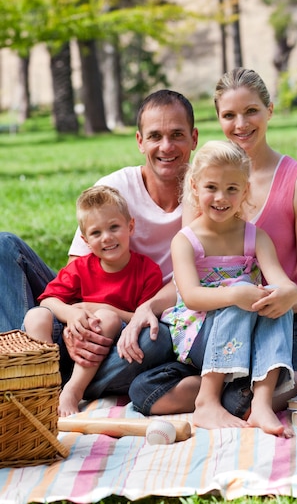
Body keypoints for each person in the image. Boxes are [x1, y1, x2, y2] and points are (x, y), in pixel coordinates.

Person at [128, 67, 297, 417]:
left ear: (270, 110)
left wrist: (274, 299)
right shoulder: (203, 180)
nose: (241, 124)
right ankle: (243, 389)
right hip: (216, 321)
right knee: (143, 382)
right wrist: (148, 307)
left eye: (251, 111)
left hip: (284, 322)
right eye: (229, 115)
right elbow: (191, 272)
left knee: (243, 390)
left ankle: (238, 394)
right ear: (218, 118)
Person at [0, 89, 198, 397]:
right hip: (82, 314)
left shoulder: (206, 198)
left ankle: (59, 384)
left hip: (137, 321)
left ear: (194, 138)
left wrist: (120, 314)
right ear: (139, 141)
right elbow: (76, 272)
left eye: (177, 135)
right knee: (4, 246)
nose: (166, 146)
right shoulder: (114, 188)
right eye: (155, 136)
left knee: (158, 340)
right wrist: (71, 323)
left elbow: (193, 283)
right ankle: (20, 366)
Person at [129, 140, 297, 436]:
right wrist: (235, 293)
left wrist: (288, 293)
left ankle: (261, 403)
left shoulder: (255, 237)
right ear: (194, 187)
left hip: (242, 330)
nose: (221, 197)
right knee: (243, 291)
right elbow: (192, 297)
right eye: (211, 187)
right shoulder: (186, 240)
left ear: (245, 190)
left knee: (277, 302)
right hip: (196, 334)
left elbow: (281, 281)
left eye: (232, 188)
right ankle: (207, 400)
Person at [23, 185, 163, 416]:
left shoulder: (147, 271)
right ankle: (46, 384)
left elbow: (146, 317)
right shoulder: (80, 267)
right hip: (74, 341)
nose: (106, 238)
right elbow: (48, 300)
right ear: (85, 240)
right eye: (96, 233)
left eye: (114, 227)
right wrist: (72, 314)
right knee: (36, 315)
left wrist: (105, 310)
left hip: (113, 345)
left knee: (106, 318)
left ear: (130, 226)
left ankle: (73, 391)